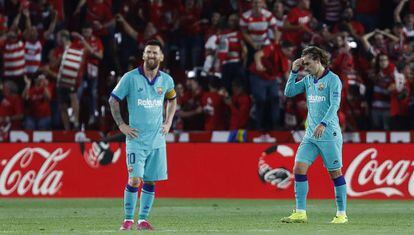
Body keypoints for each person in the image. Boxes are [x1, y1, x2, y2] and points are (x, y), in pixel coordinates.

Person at [108, 40, 177, 231]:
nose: (152, 55)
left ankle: (143, 220)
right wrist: (121, 125)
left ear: (161, 57)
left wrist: (168, 121)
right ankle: (128, 219)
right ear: (143, 55)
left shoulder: (166, 80)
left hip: (157, 139)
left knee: (150, 180)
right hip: (136, 140)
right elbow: (113, 100)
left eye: (155, 53)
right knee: (134, 179)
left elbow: (172, 100)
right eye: (148, 52)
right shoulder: (130, 78)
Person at [281, 46, 347, 224]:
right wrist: (294, 71)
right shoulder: (308, 79)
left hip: (329, 134)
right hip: (310, 135)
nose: (306, 68)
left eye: (308, 64)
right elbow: (288, 92)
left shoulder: (333, 80)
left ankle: (342, 214)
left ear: (318, 60)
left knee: (335, 173)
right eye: (304, 65)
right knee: (298, 169)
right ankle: (300, 212)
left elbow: (335, 106)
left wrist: (323, 123)